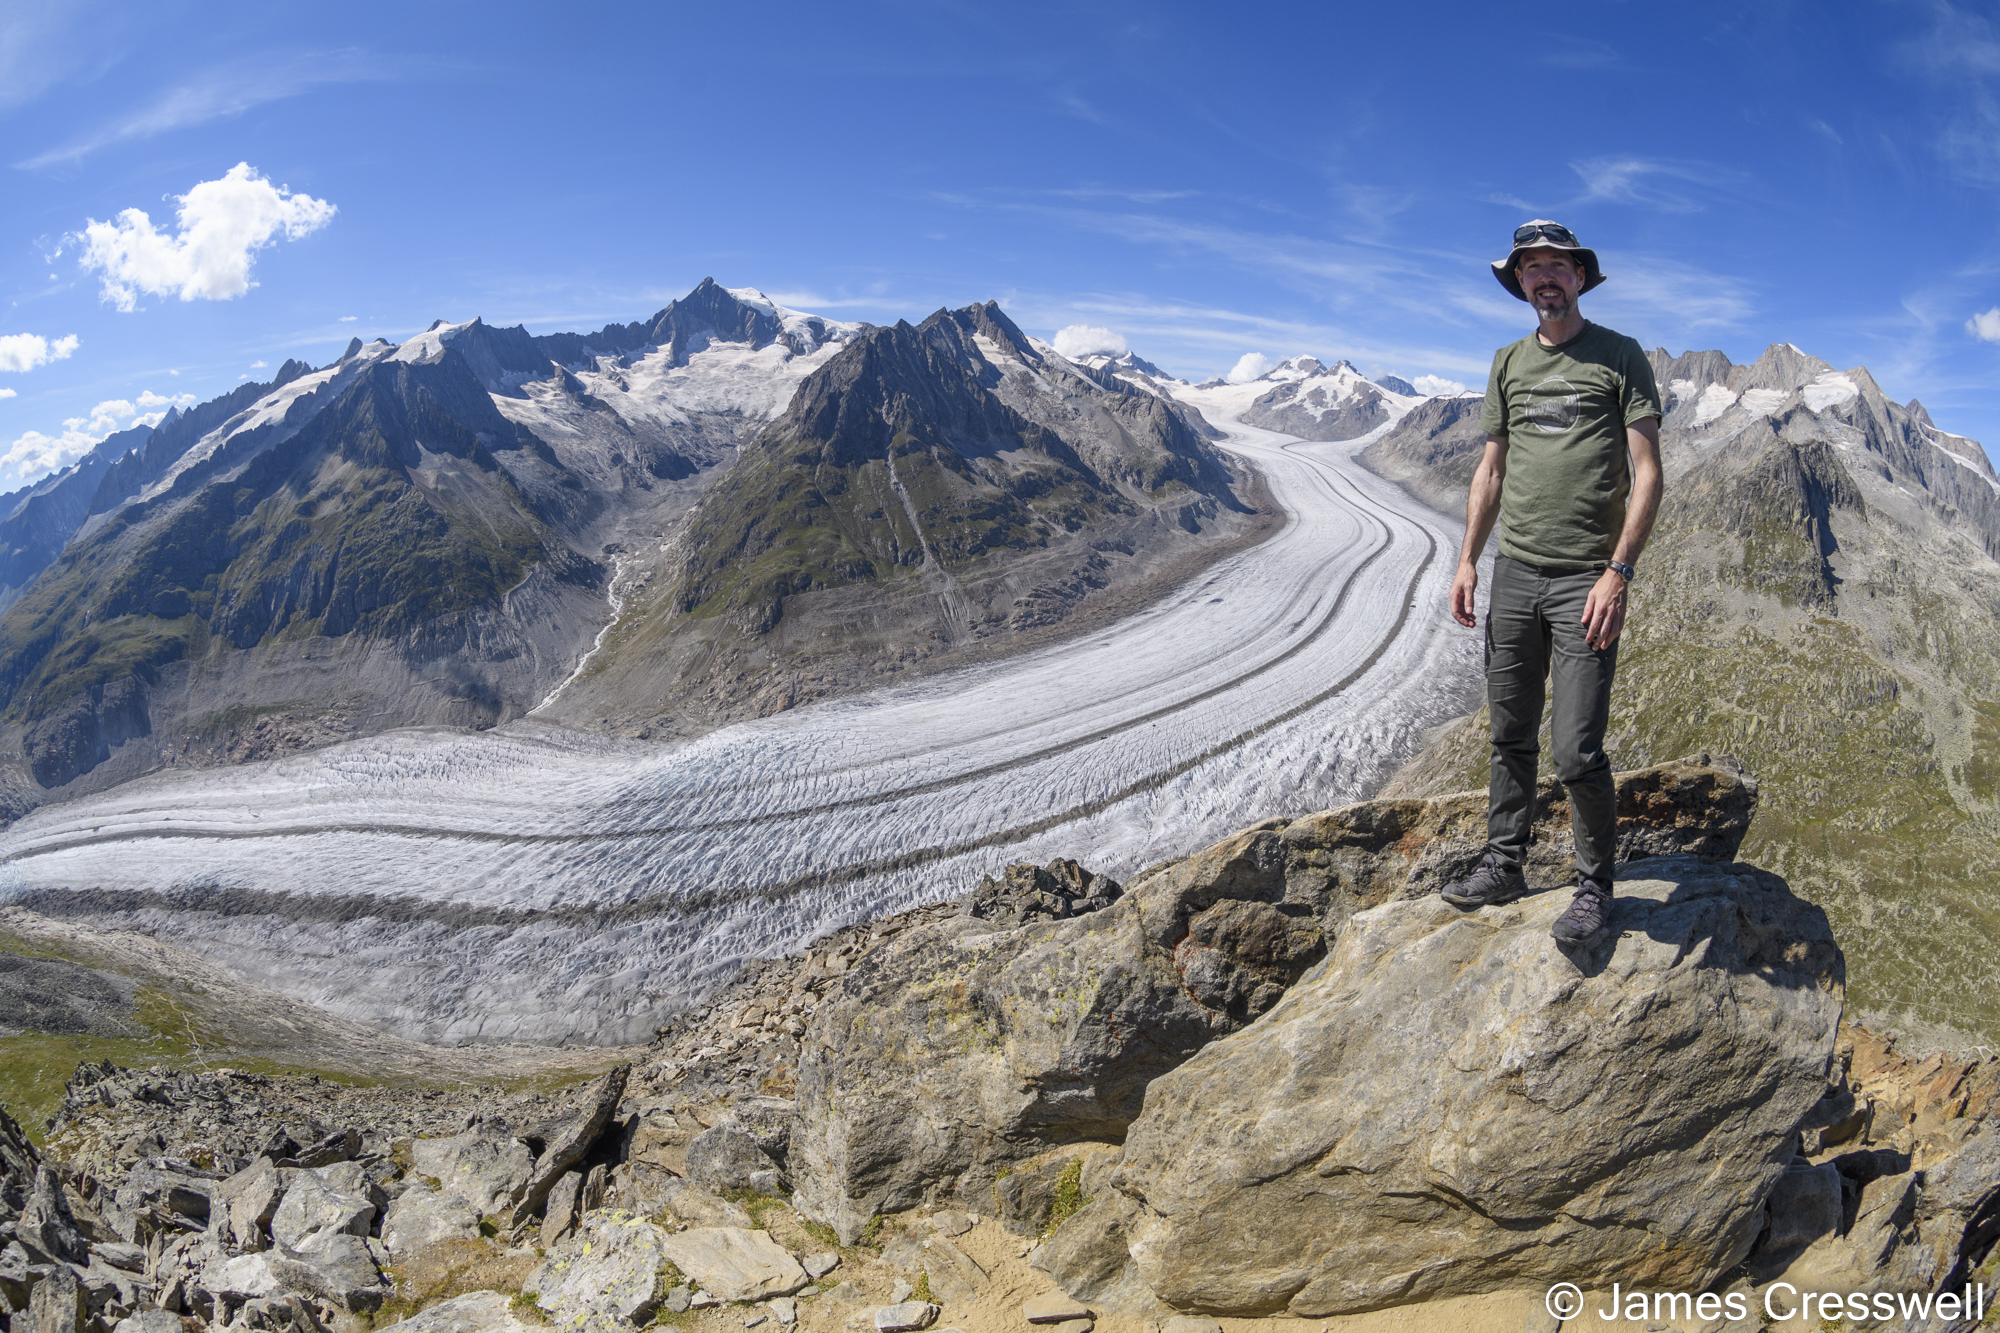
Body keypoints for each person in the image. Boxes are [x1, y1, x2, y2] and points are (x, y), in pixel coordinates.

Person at [1440, 220, 1664, 946]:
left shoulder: (1620, 357)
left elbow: (1648, 473)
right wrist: (1470, 556)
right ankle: (1505, 861)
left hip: (1584, 583)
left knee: (1575, 749)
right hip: (1515, 574)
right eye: (1530, 267)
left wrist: (1618, 571)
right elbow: (1492, 469)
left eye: (1555, 266)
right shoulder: (1507, 361)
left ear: (1579, 276)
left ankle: (1595, 885)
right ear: (1521, 283)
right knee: (1509, 732)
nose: (1543, 277)